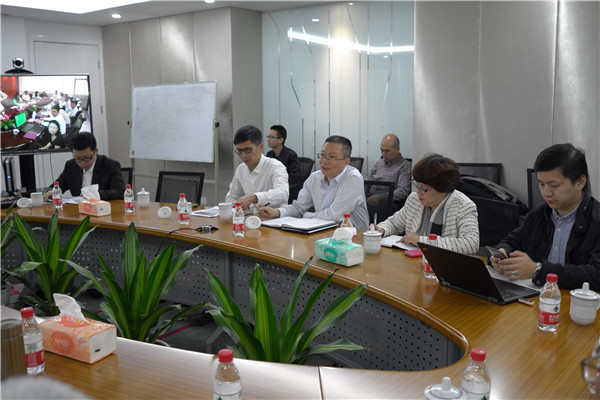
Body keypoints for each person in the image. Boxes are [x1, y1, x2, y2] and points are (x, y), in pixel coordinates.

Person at [490, 143, 600, 290]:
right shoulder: (540, 213)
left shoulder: (596, 219)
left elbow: (596, 274)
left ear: (580, 182)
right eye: (541, 184)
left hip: (576, 299)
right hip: (537, 296)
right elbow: (512, 240)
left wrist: (538, 270)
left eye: (554, 185)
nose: (546, 193)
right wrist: (502, 254)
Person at [374, 153, 480, 254]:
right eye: (417, 186)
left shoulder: (463, 206)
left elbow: (471, 244)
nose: (418, 192)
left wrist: (422, 241)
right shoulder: (415, 200)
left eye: (424, 189)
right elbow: (394, 223)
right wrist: (381, 229)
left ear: (443, 188)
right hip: (412, 260)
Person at [259, 135, 369, 230]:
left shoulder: (353, 178)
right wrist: (276, 212)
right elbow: (298, 208)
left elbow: (333, 217)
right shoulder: (315, 177)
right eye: (322, 155)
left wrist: (306, 215)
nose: (324, 161)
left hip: (354, 238)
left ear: (346, 162)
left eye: (332, 157)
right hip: (324, 234)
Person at [42, 132, 125, 201]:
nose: (83, 163)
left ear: (96, 151)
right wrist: (50, 192)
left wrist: (93, 194)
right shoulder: (71, 166)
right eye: (78, 159)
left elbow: (120, 192)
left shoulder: (110, 165)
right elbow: (55, 187)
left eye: (87, 158)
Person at [224, 125, 289, 210]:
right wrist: (235, 206)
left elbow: (283, 193)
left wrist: (254, 197)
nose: (243, 155)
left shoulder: (275, 166)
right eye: (239, 151)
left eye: (248, 150)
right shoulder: (241, 169)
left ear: (260, 147)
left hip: (272, 217)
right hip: (249, 216)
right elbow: (232, 196)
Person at [366, 134, 412, 214]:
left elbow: (402, 192)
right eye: (382, 150)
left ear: (397, 149)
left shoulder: (405, 166)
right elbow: (368, 181)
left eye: (387, 151)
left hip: (389, 202)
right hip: (371, 198)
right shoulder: (378, 163)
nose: (383, 154)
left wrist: (380, 197)